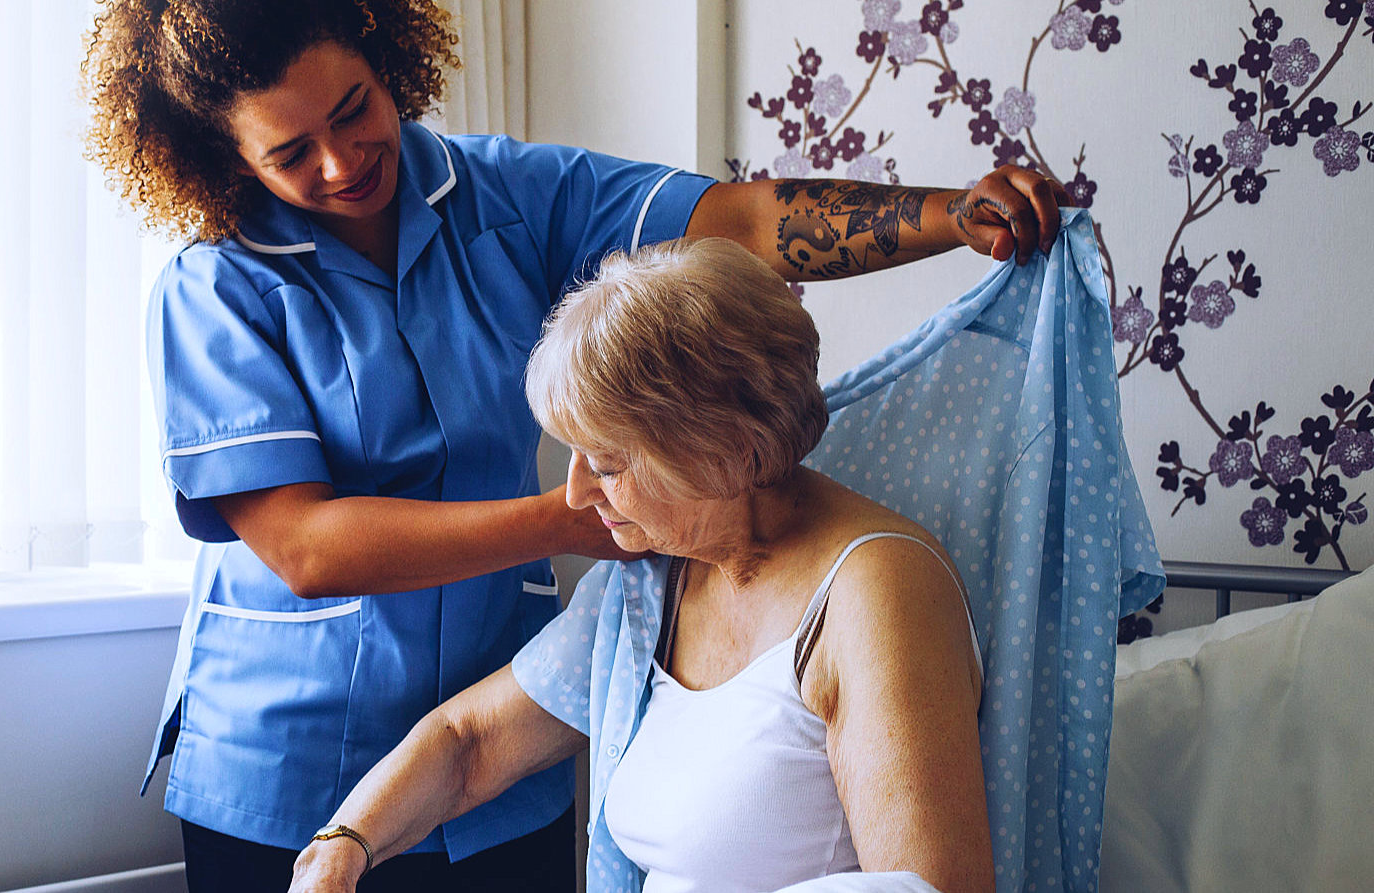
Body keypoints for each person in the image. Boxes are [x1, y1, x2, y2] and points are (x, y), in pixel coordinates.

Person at [78, 1, 1057, 889]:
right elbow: (307, 547)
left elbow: (740, 220)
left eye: (353, 110)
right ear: (226, 156)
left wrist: (950, 216)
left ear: (385, 56)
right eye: (290, 153)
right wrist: (585, 512)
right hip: (286, 765)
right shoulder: (215, 286)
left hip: (498, 759)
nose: (339, 163)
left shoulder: (507, 194)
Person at [287, 237, 991, 893]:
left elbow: (926, 889)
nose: (575, 494)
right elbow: (470, 741)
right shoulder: (652, 582)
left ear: (726, 449)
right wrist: (342, 845)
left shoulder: (876, 593)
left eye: (608, 464)